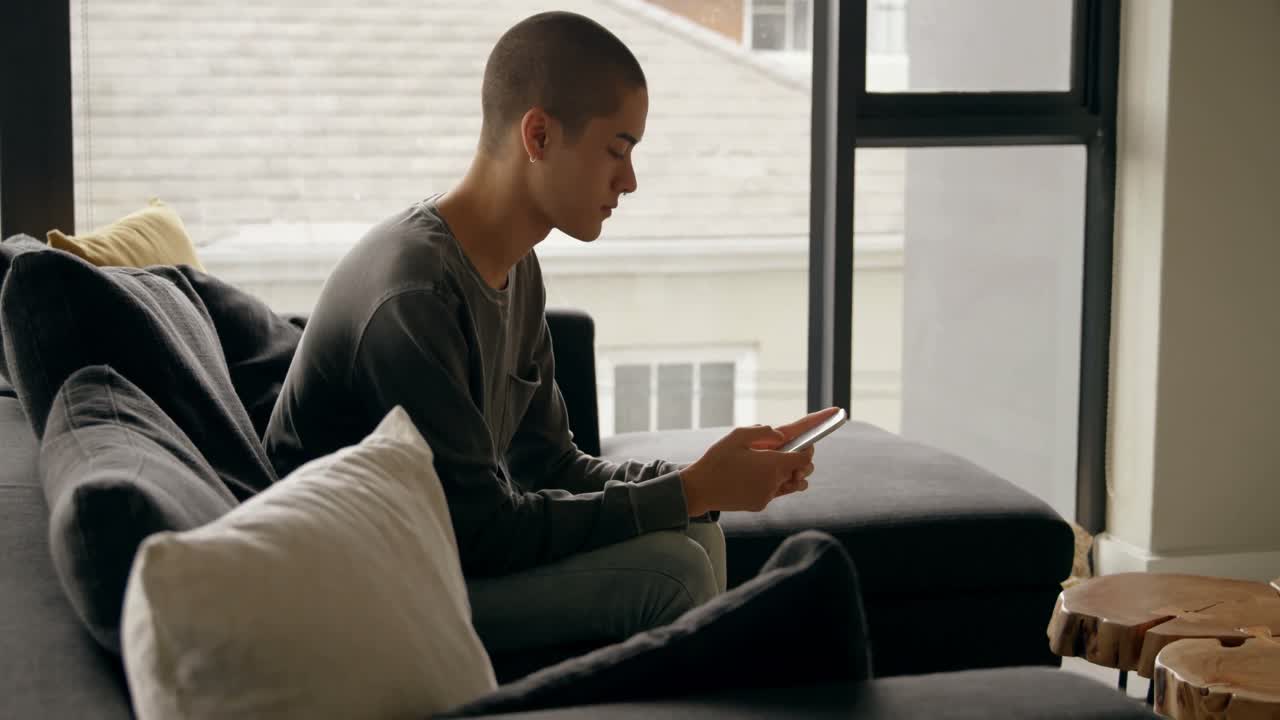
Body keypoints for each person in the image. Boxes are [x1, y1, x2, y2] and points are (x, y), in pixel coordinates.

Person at [262, 10, 840, 660]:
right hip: (356, 587)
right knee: (674, 571)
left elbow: (550, 465)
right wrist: (693, 489)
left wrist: (705, 476)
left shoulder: (513, 267)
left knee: (697, 533)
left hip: (437, 553)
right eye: (617, 149)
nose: (630, 180)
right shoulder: (414, 295)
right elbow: (483, 532)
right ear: (538, 135)